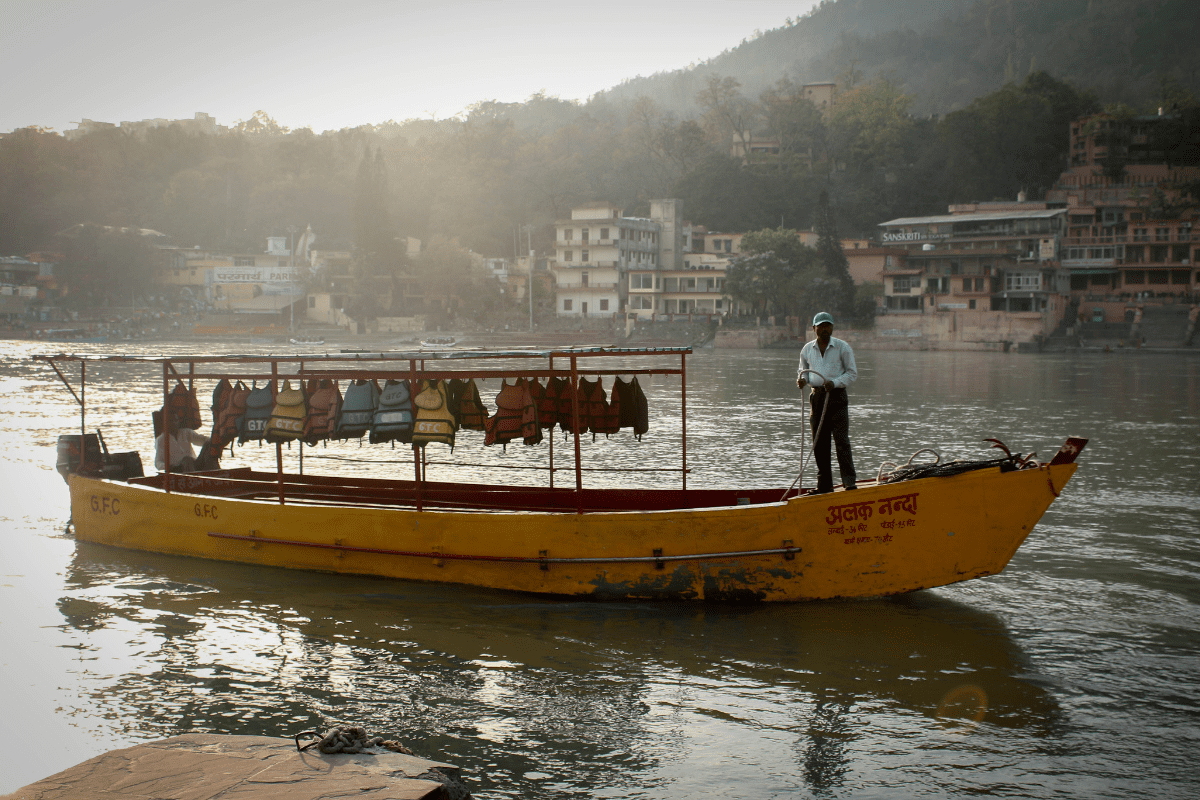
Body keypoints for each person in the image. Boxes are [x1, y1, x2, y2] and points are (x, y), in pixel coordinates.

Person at [796, 311, 858, 493]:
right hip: (817, 398)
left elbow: (852, 373)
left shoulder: (842, 347)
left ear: (832, 327)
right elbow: (803, 371)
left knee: (841, 441)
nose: (825, 329)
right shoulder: (807, 349)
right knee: (819, 443)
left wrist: (835, 383)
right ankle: (824, 486)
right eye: (821, 326)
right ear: (814, 328)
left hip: (837, 397)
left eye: (828, 326)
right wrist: (802, 381)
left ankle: (849, 482)